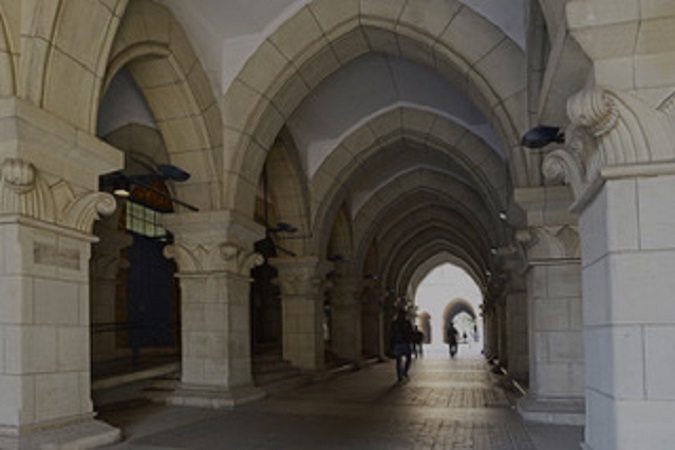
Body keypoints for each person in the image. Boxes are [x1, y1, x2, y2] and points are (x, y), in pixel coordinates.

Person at [390, 308, 413, 383]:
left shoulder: (395, 323)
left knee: (400, 360)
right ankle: (403, 373)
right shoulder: (406, 323)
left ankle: (401, 374)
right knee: (405, 359)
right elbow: (410, 333)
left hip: (399, 343)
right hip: (402, 343)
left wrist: (392, 345)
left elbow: (391, 334)